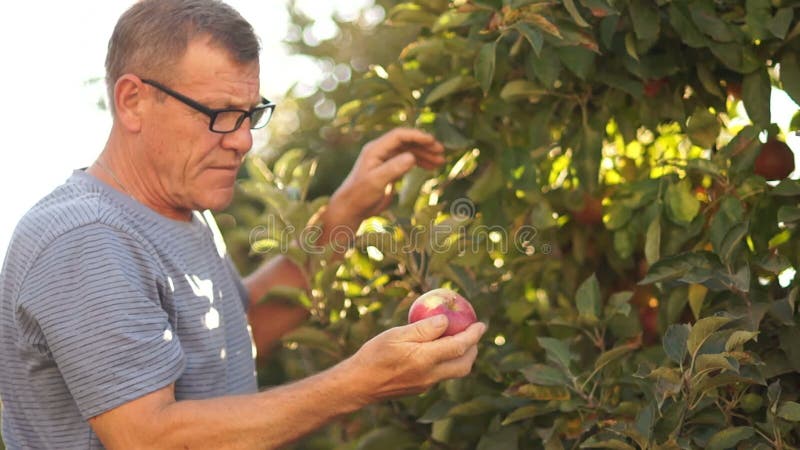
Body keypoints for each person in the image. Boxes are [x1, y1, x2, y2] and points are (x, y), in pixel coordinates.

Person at [0, 1, 486, 449]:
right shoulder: (85, 238)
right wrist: (359, 382)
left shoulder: (181, 213)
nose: (243, 142)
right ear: (132, 101)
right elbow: (149, 437)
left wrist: (346, 213)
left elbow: (234, 339)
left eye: (249, 115)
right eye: (219, 115)